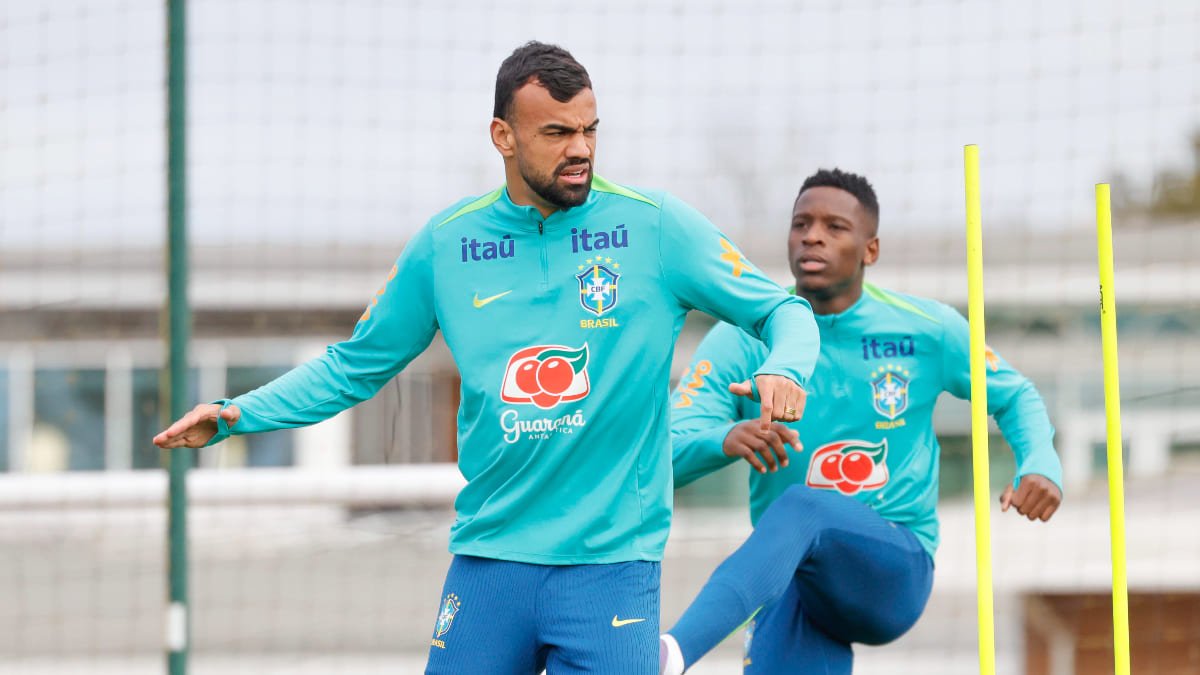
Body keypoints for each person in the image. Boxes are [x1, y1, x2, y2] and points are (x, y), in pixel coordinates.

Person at [153, 42, 820, 674]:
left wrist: (786, 367)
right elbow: (353, 365)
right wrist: (237, 413)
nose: (581, 150)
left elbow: (782, 309)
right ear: (503, 136)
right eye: (557, 133)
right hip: (490, 561)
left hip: (610, 565)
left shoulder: (654, 227)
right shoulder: (447, 245)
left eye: (590, 130)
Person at [658, 168, 1063, 674]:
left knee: (804, 506)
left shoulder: (927, 330)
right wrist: (726, 438)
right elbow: (665, 451)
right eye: (801, 223)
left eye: (835, 226)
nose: (813, 235)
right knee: (796, 525)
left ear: (870, 250)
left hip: (893, 569)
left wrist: (1040, 463)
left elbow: (1016, 395)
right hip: (796, 583)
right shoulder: (741, 340)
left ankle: (667, 656)